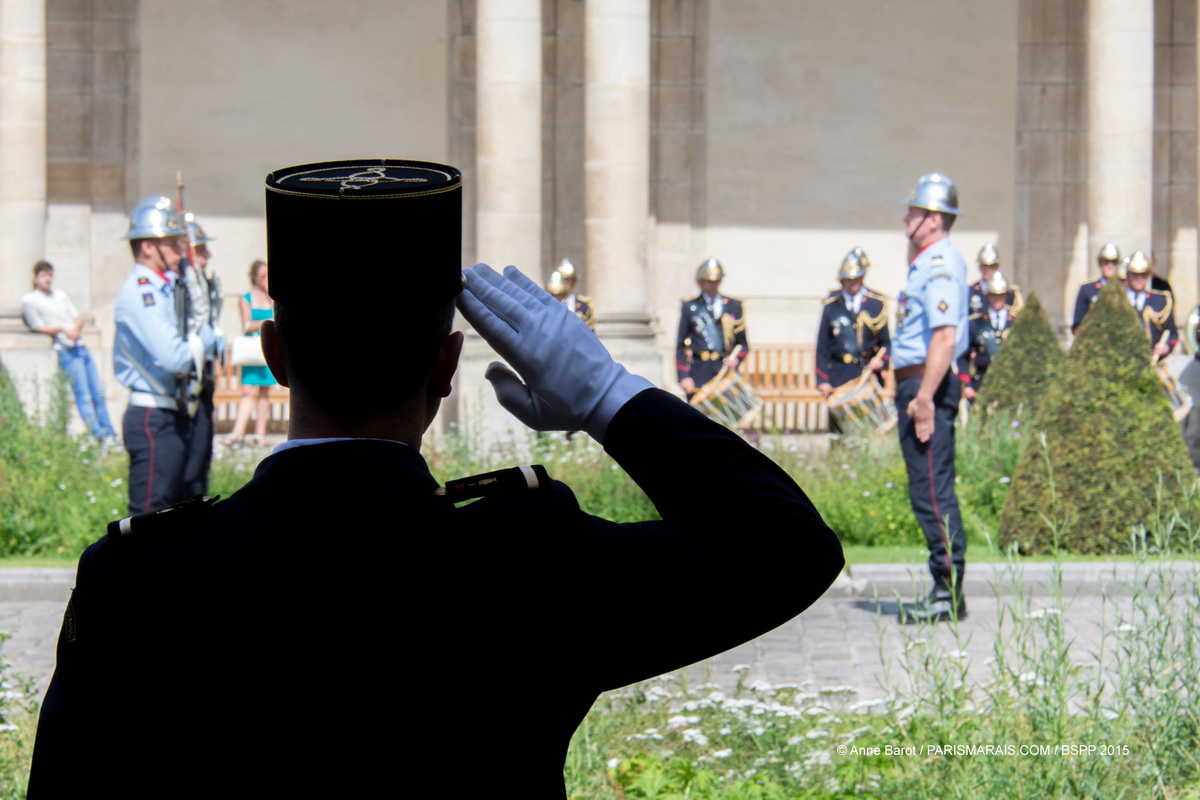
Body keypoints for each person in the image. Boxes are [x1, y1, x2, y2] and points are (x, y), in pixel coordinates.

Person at [28, 159, 844, 798]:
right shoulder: (525, 560)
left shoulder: (139, 580)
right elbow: (784, 544)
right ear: (449, 366)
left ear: (274, 357)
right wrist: (608, 397)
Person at [893, 172, 970, 624]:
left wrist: (924, 397)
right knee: (926, 489)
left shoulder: (941, 262)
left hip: (928, 384)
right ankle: (945, 588)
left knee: (933, 492)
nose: (906, 217)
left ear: (935, 219)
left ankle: (947, 592)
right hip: (918, 382)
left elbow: (944, 337)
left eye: (915, 211)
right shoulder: (926, 259)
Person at [111, 195, 212, 517]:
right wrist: (203, 337)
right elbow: (174, 358)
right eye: (170, 241)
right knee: (148, 516)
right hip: (153, 416)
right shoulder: (143, 292)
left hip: (171, 412)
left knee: (177, 512)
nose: (180, 249)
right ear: (148, 247)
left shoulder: (162, 287)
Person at [20, 261, 118, 443]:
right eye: (43, 275)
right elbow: (37, 326)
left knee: (97, 392)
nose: (47, 279)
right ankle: (99, 434)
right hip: (65, 349)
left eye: (49, 275)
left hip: (80, 345)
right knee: (83, 395)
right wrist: (62, 330)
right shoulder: (30, 300)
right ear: (35, 278)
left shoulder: (60, 295)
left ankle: (110, 431)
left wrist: (75, 329)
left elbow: (77, 317)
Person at [815, 247, 890, 435]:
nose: (853, 283)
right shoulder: (831, 306)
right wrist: (822, 379)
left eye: (857, 278)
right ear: (842, 279)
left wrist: (883, 362)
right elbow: (822, 347)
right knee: (838, 430)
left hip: (866, 373)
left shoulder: (876, 304)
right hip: (838, 373)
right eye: (849, 279)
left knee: (870, 428)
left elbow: (887, 343)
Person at [179, 213, 223, 496]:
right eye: (201, 247)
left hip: (204, 376)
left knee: (203, 448)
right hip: (186, 379)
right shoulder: (182, 284)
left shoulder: (207, 281)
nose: (208, 253)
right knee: (190, 456)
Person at [676, 256, 749, 399]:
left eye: (715, 281)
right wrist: (684, 376)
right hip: (698, 370)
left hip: (724, 371)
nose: (712, 285)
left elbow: (743, 345)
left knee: (725, 419)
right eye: (708, 281)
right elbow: (680, 346)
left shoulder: (734, 305)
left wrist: (736, 360)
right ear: (700, 282)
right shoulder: (690, 307)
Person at [227, 259, 277, 445]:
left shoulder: (272, 297)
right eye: (262, 276)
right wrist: (268, 321)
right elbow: (246, 325)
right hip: (252, 349)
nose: (265, 280)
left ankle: (259, 434)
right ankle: (238, 432)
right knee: (247, 390)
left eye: (267, 276)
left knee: (265, 391)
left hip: (267, 349)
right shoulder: (246, 298)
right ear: (254, 277)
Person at [960, 271, 1017, 402]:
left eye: (1001, 295)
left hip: (1009, 384)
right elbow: (963, 356)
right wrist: (967, 384)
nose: (997, 299)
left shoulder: (1015, 322)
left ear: (1006, 295)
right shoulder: (976, 323)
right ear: (987, 296)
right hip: (981, 384)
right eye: (993, 295)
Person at [1125, 250, 1177, 359]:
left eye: (1143, 275)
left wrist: (1166, 347)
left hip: (1152, 363)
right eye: (1135, 274)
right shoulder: (1118, 301)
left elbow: (1172, 334)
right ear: (1128, 275)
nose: (1139, 278)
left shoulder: (1161, 300)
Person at [1071, 241, 1120, 334]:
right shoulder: (1087, 290)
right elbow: (1077, 325)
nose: (1110, 266)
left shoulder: (1123, 290)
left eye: (1113, 262)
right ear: (1100, 263)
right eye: (1106, 262)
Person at [968, 243, 1022, 316]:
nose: (987, 269)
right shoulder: (970, 291)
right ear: (980, 266)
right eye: (984, 265)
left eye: (991, 266)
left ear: (997, 266)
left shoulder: (1010, 292)